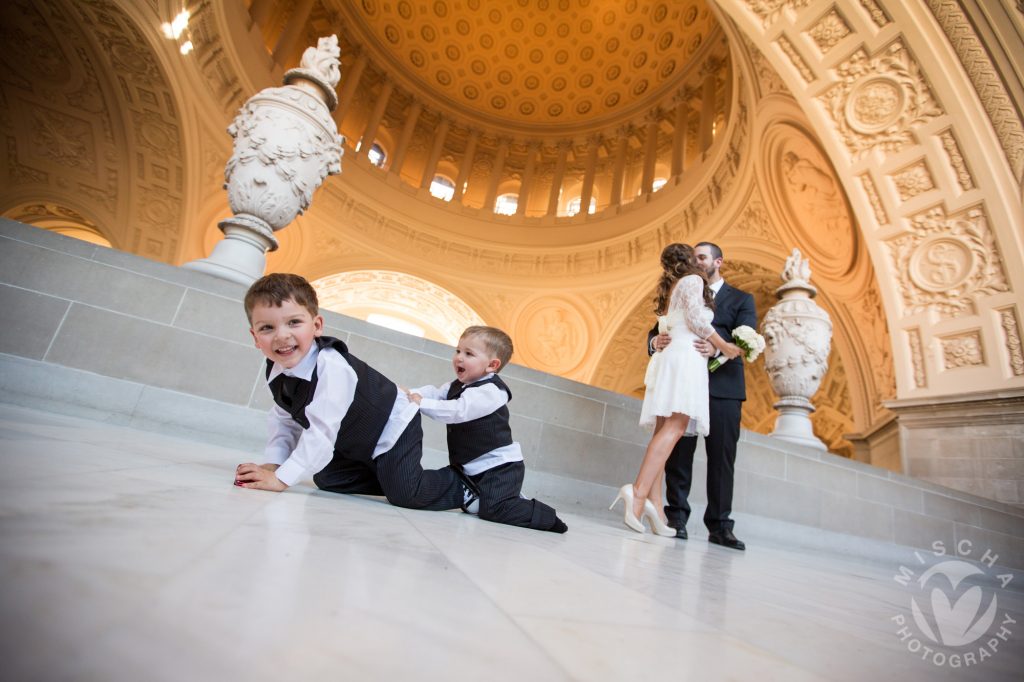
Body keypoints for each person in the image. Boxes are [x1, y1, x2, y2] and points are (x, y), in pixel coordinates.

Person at [234, 273, 476, 514]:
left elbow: (321, 431)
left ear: (317, 326)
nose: (281, 336)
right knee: (328, 479)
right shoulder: (277, 368)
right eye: (267, 328)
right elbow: (284, 418)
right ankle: (390, 476)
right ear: (255, 337)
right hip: (356, 436)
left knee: (406, 494)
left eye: (294, 323)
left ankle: (458, 484)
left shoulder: (332, 367)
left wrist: (282, 479)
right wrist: (276, 463)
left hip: (393, 424)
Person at [612, 243, 741, 536]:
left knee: (662, 430)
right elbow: (696, 319)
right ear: (688, 260)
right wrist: (724, 346)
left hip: (673, 358)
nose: (698, 260)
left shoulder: (674, 286)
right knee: (676, 426)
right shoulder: (694, 280)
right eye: (694, 256)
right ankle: (637, 492)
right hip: (685, 359)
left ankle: (655, 507)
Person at [647, 242, 757, 550]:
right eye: (693, 256)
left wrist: (717, 349)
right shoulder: (683, 287)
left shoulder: (741, 298)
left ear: (718, 262)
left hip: (724, 388)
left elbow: (746, 337)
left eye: (702, 257)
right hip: (684, 379)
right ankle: (676, 517)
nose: (695, 260)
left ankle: (720, 526)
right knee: (679, 452)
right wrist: (656, 340)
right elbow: (657, 327)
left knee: (722, 458)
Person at [407, 326, 568, 534]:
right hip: (471, 469)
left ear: (492, 365)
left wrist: (421, 404)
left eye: (469, 354)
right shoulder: (456, 385)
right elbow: (435, 394)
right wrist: (411, 394)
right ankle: (484, 497)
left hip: (500, 467)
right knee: (482, 504)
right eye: (458, 351)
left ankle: (546, 517)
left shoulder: (492, 391)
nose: (459, 358)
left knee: (494, 510)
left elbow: (459, 411)